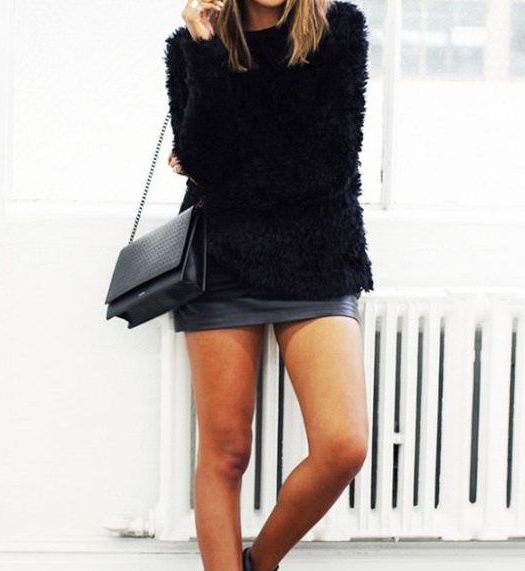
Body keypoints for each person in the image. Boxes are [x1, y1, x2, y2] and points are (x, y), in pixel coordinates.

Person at [164, 1, 374, 570]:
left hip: (318, 254)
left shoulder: (338, 29)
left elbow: (328, 161)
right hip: (223, 259)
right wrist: (206, 53)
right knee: (226, 453)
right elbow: (204, 160)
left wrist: (228, 161)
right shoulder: (193, 45)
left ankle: (261, 563)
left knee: (344, 445)